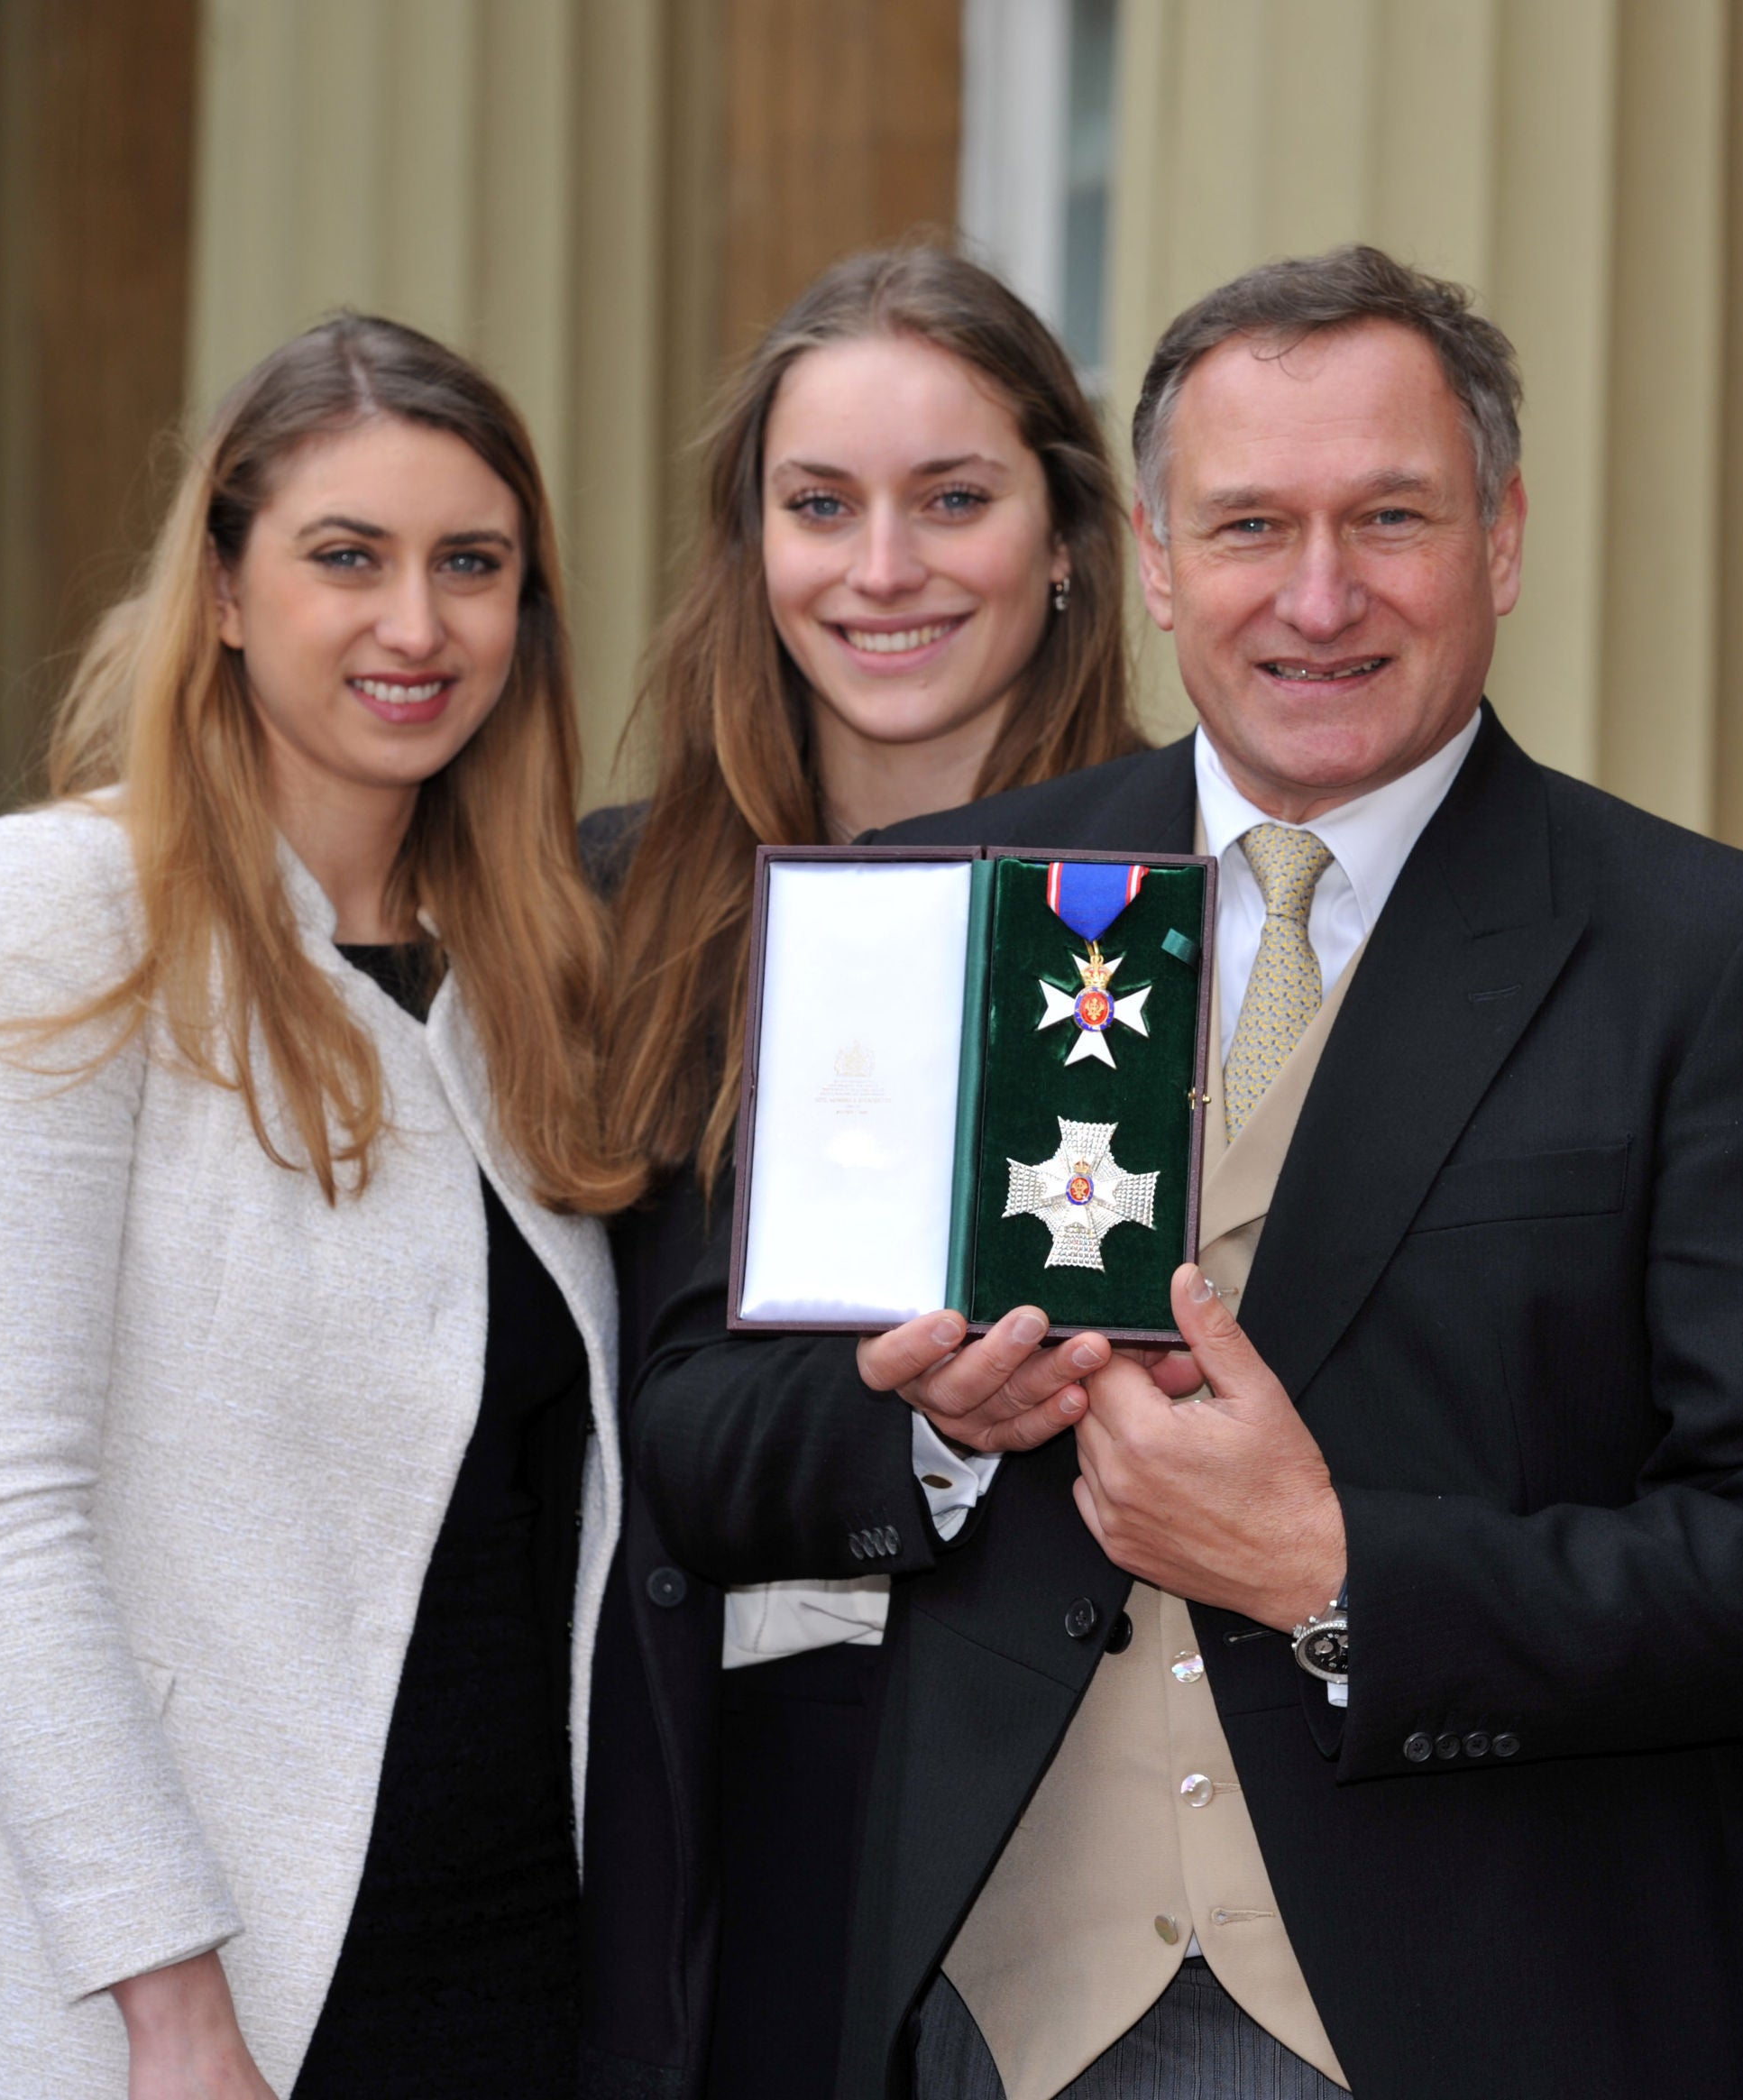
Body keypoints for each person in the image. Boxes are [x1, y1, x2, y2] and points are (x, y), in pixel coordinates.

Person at [628, 243, 1743, 2100]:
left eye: (1388, 514)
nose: (1318, 596)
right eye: (1248, 526)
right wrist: (922, 1426)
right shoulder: (965, 905)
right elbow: (694, 1429)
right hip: (994, 2010)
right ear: (1155, 557)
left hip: (1473, 2015)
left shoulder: (1713, 958)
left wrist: (1336, 1568)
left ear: (1501, 535)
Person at [0, 316, 632, 2100]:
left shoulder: (533, 972)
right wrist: (175, 2012)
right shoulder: (66, 913)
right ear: (226, 589)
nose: (417, 624)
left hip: (498, 1962)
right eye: (348, 557)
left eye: (470, 565)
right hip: (132, 1990)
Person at [578, 242, 1143, 2100]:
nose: (882, 568)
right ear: (751, 547)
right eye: (819, 506)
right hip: (717, 1789)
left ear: (1066, 535)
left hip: (1090, 1809)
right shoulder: (603, 909)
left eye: (952, 501)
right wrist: (898, 1423)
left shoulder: (1201, 897)